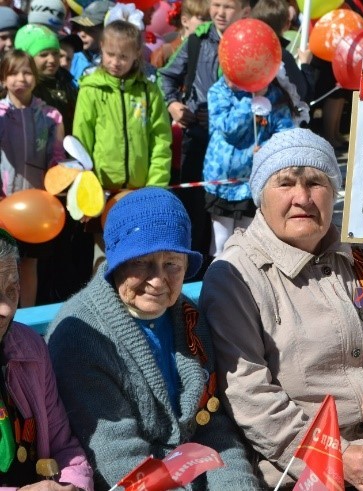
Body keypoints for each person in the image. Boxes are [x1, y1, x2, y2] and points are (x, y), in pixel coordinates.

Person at [199, 128, 363, 490]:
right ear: (260, 195)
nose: (302, 197)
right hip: (303, 472)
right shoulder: (236, 276)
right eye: (285, 183)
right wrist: (333, 456)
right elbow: (249, 395)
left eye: (315, 182)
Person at [45, 188, 261, 490]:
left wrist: (238, 486)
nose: (158, 280)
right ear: (117, 262)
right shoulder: (81, 337)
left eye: (172, 264)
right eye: (141, 263)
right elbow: (119, 458)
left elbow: (213, 425)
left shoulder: (189, 316)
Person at [73, 18, 172, 269]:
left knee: (137, 254)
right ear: (101, 49)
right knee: (103, 257)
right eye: (110, 54)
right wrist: (87, 187)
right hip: (103, 191)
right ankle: (102, 304)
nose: (115, 62)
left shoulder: (148, 91)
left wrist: (155, 185)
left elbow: (161, 140)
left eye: (123, 57)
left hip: (140, 190)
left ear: (137, 55)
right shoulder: (90, 90)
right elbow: (81, 142)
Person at [159, 0, 251, 267]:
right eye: (216, 5)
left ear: (244, 11)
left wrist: (227, 115)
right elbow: (166, 76)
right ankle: (190, 281)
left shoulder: (252, 40)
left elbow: (265, 90)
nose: (220, 13)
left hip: (238, 150)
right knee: (194, 216)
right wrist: (173, 104)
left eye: (228, 7)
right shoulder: (197, 41)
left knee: (233, 224)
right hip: (199, 142)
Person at [0, 228, 94, 490]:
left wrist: (72, 485)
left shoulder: (29, 347)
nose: (6, 308)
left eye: (12, 289)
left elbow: (63, 444)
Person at [202, 71, 297, 257]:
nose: (232, 80)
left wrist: (266, 150)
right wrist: (251, 101)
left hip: (251, 184)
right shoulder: (218, 92)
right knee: (221, 243)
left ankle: (242, 282)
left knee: (248, 243)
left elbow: (285, 134)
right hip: (222, 182)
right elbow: (228, 128)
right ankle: (218, 280)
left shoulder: (275, 96)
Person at [0, 50, 65, 307]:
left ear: (35, 78)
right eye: (13, 73)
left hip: (37, 207)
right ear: (4, 79)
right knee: (4, 262)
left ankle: (26, 317)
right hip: (5, 203)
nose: (21, 79)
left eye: (27, 72)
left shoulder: (49, 116)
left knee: (29, 263)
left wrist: (58, 179)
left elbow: (57, 157)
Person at [14, 24, 77, 134]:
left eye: (56, 53)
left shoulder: (66, 81)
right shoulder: (24, 90)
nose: (52, 59)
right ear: (27, 58)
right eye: (44, 55)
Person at [150, 0, 210, 69]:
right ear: (185, 21)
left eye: (210, 20)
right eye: (203, 19)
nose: (208, 24)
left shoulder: (212, 49)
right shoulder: (164, 54)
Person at [69, 0, 114, 86]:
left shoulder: (116, 63)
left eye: (90, 30)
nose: (82, 34)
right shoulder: (72, 57)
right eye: (81, 28)